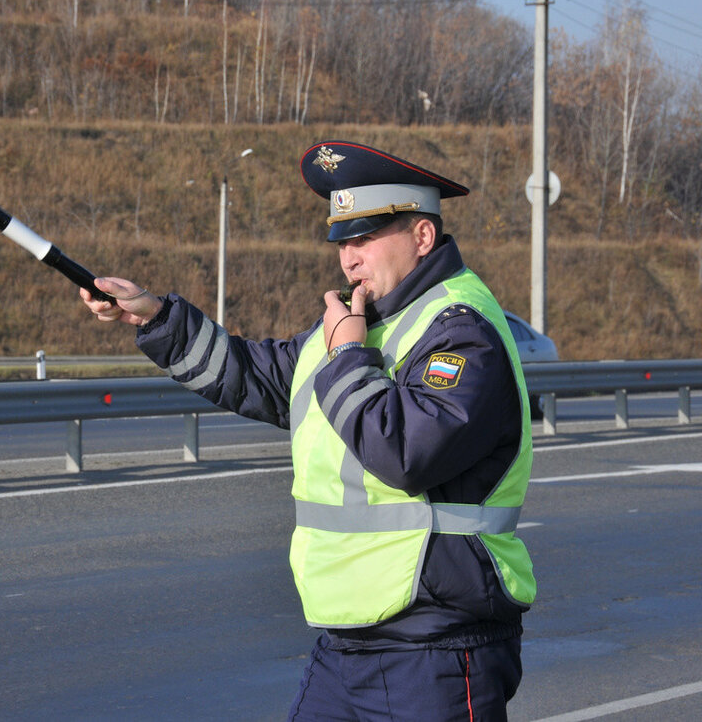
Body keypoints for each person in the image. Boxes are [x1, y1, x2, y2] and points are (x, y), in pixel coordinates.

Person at [79, 140, 536, 721]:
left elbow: (406, 453)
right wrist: (156, 316)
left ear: (422, 236)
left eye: (366, 237)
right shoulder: (361, 322)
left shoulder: (458, 329)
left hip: (434, 642)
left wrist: (347, 353)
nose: (349, 259)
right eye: (343, 241)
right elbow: (258, 377)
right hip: (347, 640)